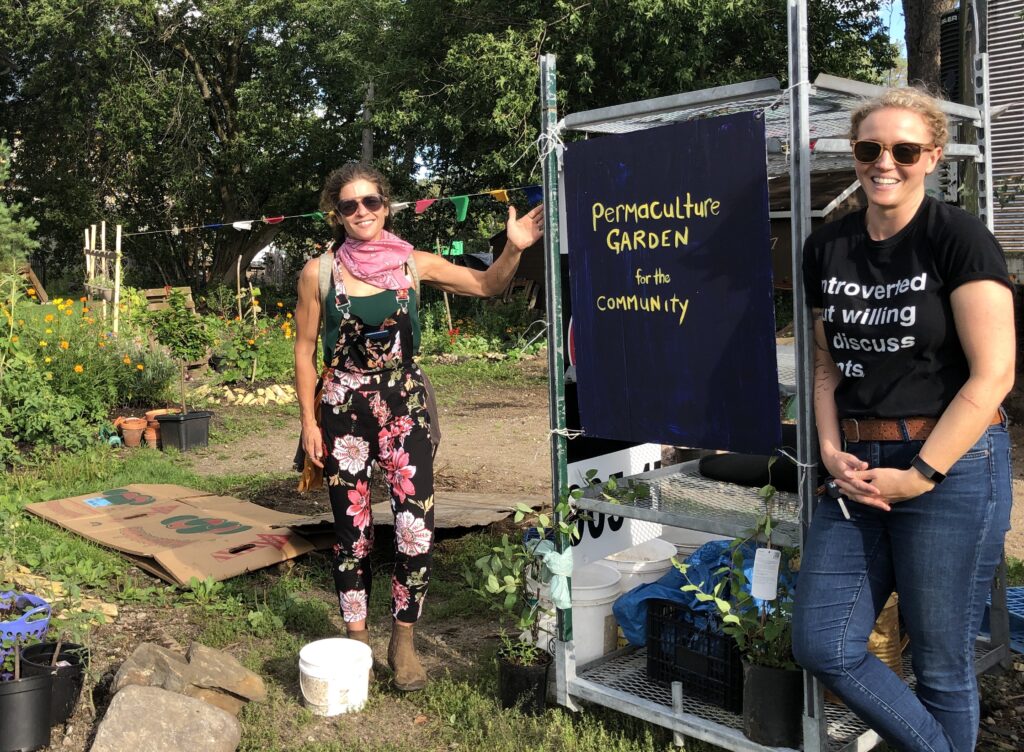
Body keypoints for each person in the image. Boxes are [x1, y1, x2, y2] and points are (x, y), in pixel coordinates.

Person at [792, 87, 1015, 751]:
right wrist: (830, 451)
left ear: (931, 157)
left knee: (942, 665)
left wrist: (920, 474)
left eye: (904, 149)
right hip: (855, 471)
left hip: (950, 467)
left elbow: (994, 373)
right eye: (869, 148)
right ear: (855, 155)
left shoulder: (958, 237)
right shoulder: (824, 249)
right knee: (824, 644)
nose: (884, 161)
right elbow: (825, 370)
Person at [294, 162, 543, 691]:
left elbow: (486, 284)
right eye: (348, 205)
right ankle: (356, 641)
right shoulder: (318, 274)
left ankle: (402, 639)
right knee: (351, 534)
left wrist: (515, 247)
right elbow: (304, 351)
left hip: (403, 405)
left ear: (386, 205)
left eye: (371, 202)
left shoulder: (413, 265)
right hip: (342, 409)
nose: (361, 212)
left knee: (415, 529)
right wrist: (308, 424)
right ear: (335, 215)